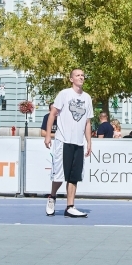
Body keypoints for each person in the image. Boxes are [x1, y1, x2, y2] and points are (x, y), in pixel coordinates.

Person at [44, 69, 93, 218]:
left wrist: (89, 141)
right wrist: (47, 135)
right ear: (71, 79)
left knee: (74, 176)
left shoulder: (87, 98)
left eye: (82, 75)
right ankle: (52, 196)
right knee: (59, 175)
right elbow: (53, 114)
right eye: (77, 75)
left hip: (78, 142)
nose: (81, 77)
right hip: (63, 140)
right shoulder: (64, 94)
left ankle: (70, 206)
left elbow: (87, 122)